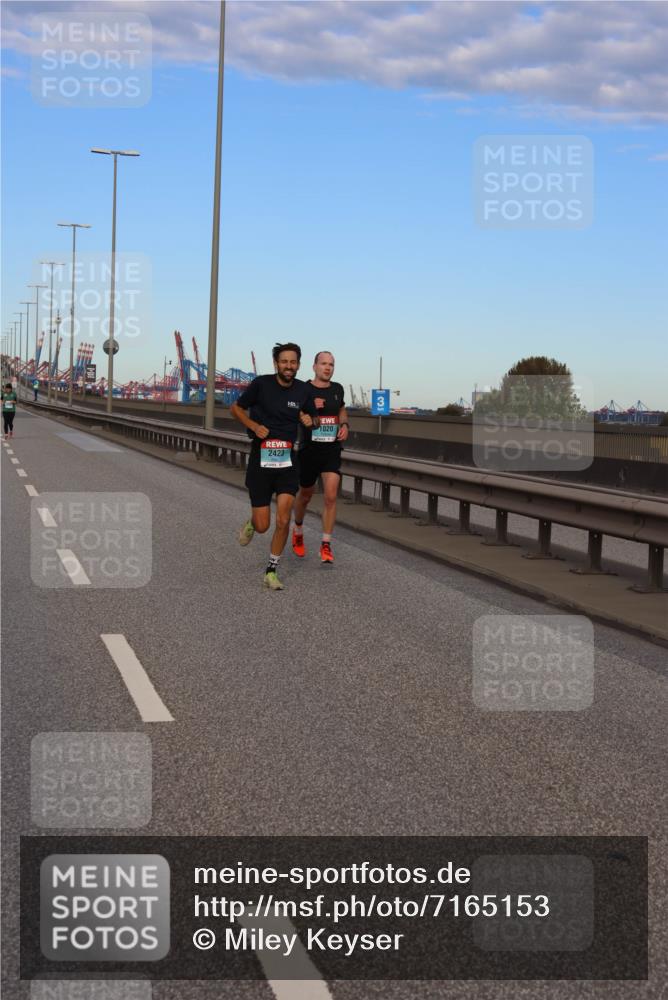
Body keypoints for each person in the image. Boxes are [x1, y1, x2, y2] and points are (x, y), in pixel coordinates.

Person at [230, 343, 318, 591]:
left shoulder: (303, 390)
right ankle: (251, 524)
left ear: (298, 365)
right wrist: (253, 425)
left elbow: (315, 419)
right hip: (261, 460)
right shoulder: (261, 384)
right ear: (276, 364)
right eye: (284, 362)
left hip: (288, 462)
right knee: (263, 525)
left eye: (293, 362)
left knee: (283, 519)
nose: (289, 366)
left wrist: (310, 420)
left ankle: (271, 570)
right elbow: (235, 408)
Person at [292, 351, 348, 564]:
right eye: (323, 364)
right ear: (314, 366)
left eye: (331, 364)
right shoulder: (303, 389)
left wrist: (344, 425)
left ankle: (326, 544)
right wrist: (306, 412)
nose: (328, 368)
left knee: (331, 495)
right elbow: (294, 411)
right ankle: (297, 529)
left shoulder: (337, 389)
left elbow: (341, 408)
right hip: (309, 450)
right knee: (305, 495)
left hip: (331, 449)